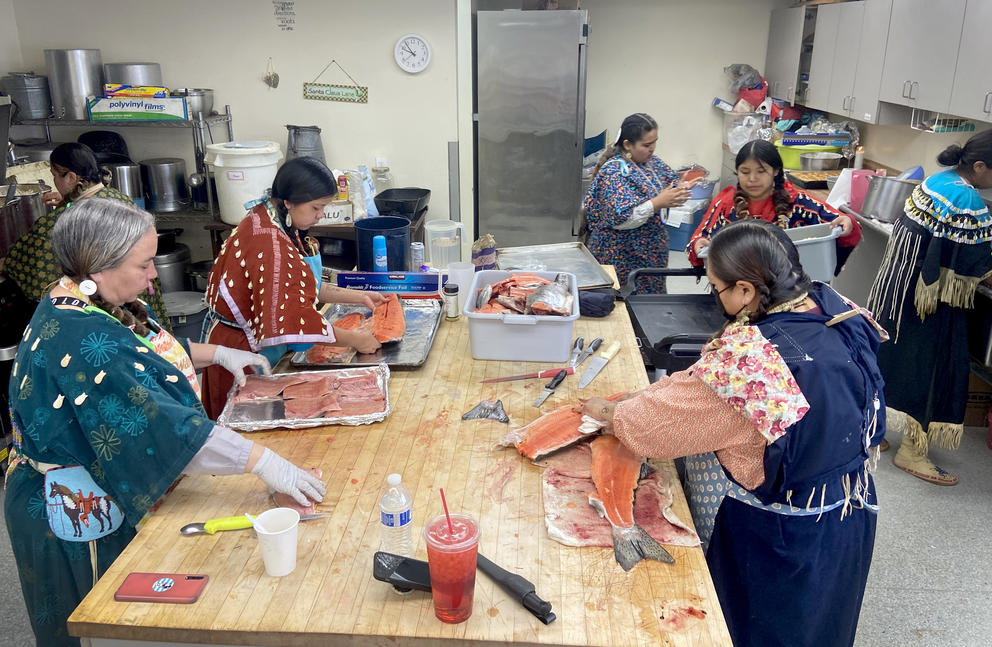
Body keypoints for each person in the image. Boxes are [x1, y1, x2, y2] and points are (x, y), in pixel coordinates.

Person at [4, 198, 326, 647]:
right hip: (70, 499)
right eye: (144, 263)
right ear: (99, 267)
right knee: (99, 620)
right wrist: (265, 462)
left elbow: (144, 349)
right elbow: (164, 428)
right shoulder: (81, 338)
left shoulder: (86, 299)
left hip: (92, 480)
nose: (154, 274)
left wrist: (219, 354)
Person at [580, 220, 885, 647]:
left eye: (717, 287)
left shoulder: (749, 361)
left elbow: (649, 430)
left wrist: (612, 412)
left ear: (745, 290)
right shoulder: (833, 306)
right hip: (846, 509)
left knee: (760, 628)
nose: (717, 297)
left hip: (775, 533)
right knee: (821, 623)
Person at [201, 157, 386, 418]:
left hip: (256, 344)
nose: (320, 215)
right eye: (316, 207)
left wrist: (360, 296)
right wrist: (356, 339)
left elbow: (303, 286)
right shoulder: (269, 244)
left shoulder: (274, 216)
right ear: (289, 201)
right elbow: (298, 321)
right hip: (238, 354)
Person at [866, 131, 992, 486]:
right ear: (980, 167)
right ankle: (914, 452)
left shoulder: (940, 180)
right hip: (925, 302)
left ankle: (874, 433)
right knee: (933, 369)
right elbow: (973, 262)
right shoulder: (964, 198)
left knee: (889, 359)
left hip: (895, 290)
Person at [3, 142, 171, 327]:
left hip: (111, 309)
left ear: (71, 177)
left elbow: (26, 264)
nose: (54, 183)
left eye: (54, 176)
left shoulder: (61, 222)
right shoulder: (118, 198)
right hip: (143, 298)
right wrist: (66, 199)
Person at [688, 139, 861, 275]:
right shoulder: (726, 204)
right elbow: (698, 241)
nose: (752, 179)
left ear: (776, 171)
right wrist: (699, 244)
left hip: (791, 295)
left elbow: (842, 225)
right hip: (736, 294)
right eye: (745, 172)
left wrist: (846, 221)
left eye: (761, 171)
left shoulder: (799, 203)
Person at [582, 113, 690, 294]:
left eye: (655, 142)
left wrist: (680, 188)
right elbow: (620, 218)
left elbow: (668, 183)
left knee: (649, 306)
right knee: (623, 302)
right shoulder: (614, 170)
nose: (652, 149)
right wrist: (656, 203)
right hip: (621, 253)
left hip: (650, 254)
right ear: (627, 144)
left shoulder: (652, 163)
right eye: (647, 145)